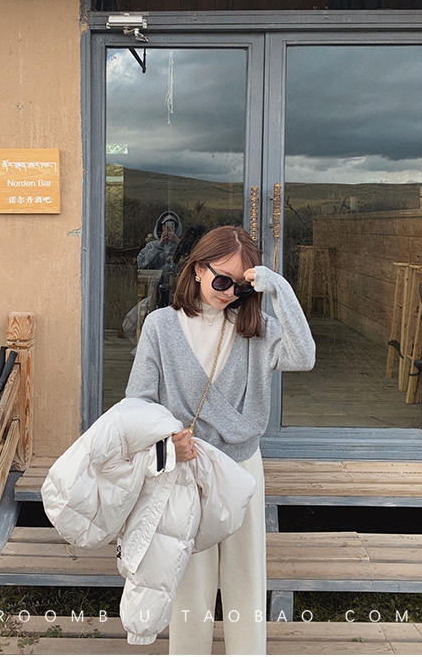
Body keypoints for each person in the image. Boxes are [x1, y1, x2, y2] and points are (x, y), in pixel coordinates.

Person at [125, 224, 315, 656]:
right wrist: (167, 445)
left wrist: (278, 288)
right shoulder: (160, 327)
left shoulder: (256, 329)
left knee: (245, 579)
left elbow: (304, 357)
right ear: (197, 269)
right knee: (190, 584)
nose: (229, 293)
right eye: (221, 280)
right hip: (185, 469)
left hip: (241, 467)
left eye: (240, 285)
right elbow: (138, 403)